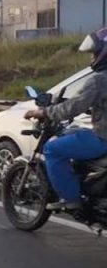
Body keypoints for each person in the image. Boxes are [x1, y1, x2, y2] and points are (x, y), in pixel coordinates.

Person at [24, 27, 107, 211]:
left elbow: (74, 107)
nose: (91, 58)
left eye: (94, 53)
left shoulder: (98, 80)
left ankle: (71, 199)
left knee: (52, 149)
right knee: (76, 133)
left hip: (103, 139)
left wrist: (44, 112)